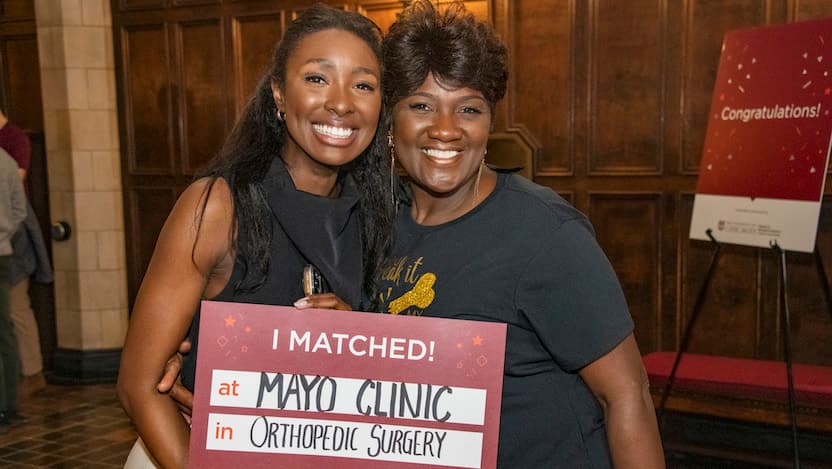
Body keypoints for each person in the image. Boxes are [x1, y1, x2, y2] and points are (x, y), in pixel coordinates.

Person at [158, 2, 665, 467]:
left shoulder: (546, 235)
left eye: (469, 108)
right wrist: (201, 365)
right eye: (421, 106)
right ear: (389, 118)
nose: (445, 130)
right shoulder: (370, 221)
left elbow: (627, 397)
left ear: (490, 123)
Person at [116, 4, 394, 468]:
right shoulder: (218, 206)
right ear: (279, 94)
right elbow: (139, 385)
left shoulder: (378, 216)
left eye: (363, 84)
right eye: (317, 78)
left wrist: (354, 338)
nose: (342, 102)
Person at [0, 109, 51, 397]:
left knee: (17, 309)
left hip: (11, 239)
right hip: (8, 235)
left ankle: (32, 373)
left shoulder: (14, 140)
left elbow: (17, 199)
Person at [0, 147, 27, 430]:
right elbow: (20, 210)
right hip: (3, 253)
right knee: (4, 331)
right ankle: (9, 406)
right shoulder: (7, 161)